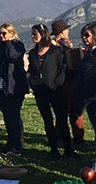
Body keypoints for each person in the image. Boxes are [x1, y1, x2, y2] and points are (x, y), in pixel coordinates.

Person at [27, 24, 77, 159]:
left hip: (55, 91)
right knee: (47, 121)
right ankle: (53, 149)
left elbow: (63, 69)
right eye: (32, 34)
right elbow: (31, 70)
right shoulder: (32, 53)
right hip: (40, 92)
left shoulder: (56, 51)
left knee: (62, 121)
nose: (32, 37)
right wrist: (32, 81)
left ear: (43, 34)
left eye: (35, 34)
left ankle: (68, 149)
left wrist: (57, 83)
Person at [0, 23, 28, 155]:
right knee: (7, 115)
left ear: (12, 33)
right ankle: (12, 141)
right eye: (0, 33)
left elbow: (12, 56)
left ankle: (16, 144)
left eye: (4, 33)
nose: (1, 36)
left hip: (15, 86)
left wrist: (9, 42)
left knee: (13, 115)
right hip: (2, 86)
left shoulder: (18, 45)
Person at [51, 19, 85, 145]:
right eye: (66, 30)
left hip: (68, 82)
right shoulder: (60, 47)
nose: (68, 31)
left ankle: (65, 137)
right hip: (67, 81)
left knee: (68, 111)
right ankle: (72, 137)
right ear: (62, 32)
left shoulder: (58, 45)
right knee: (70, 111)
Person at [73, 22, 96, 141]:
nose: (84, 38)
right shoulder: (90, 53)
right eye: (83, 35)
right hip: (90, 98)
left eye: (87, 35)